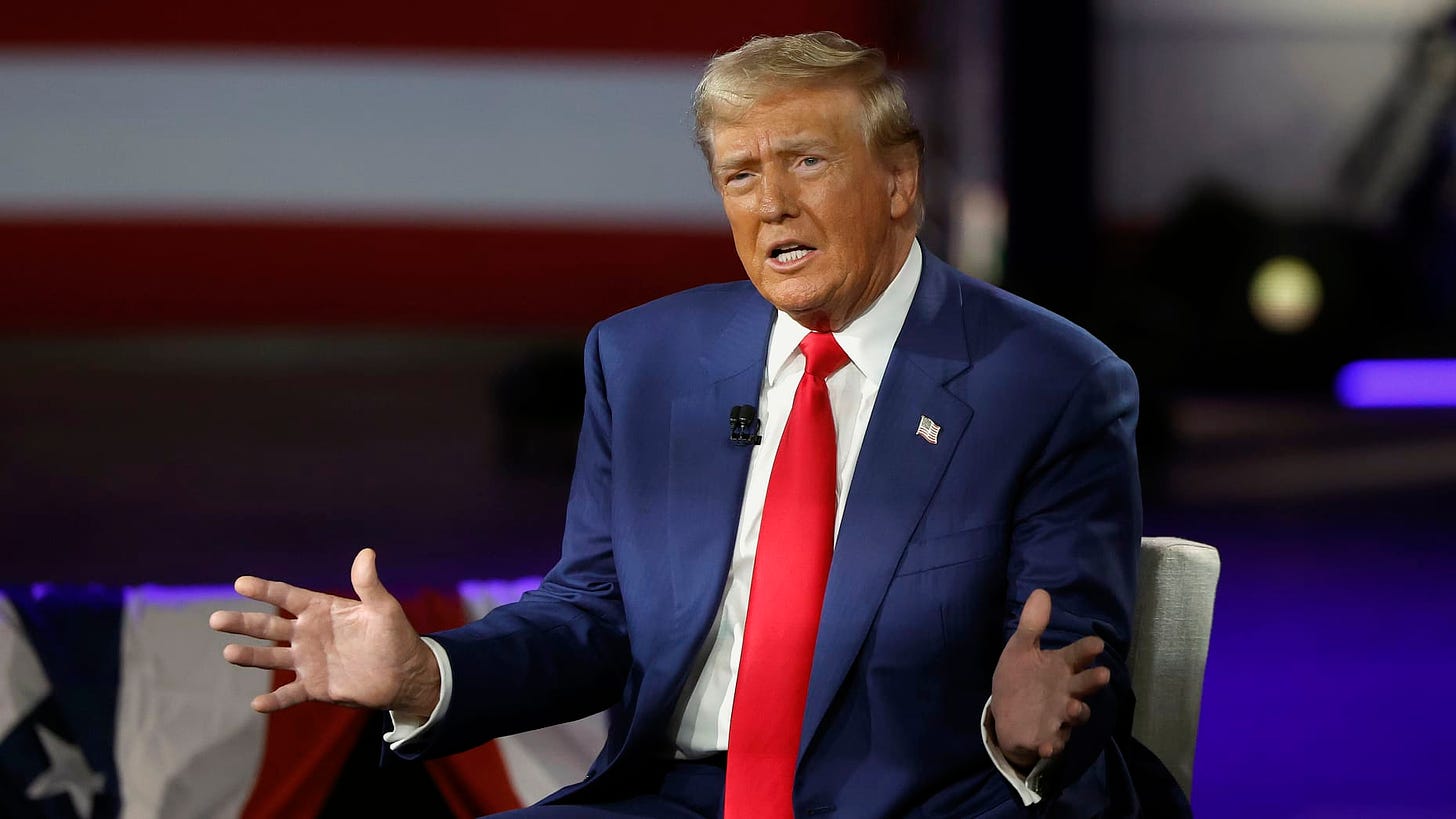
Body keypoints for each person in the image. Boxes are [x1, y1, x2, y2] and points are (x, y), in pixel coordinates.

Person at [212, 32, 1184, 818]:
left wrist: (1020, 733)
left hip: (923, 799)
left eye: (806, 162)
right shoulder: (644, 360)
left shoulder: (1049, 382)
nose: (773, 206)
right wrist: (428, 674)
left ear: (898, 182)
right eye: (740, 176)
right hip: (673, 796)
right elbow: (595, 613)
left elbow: (1072, 647)